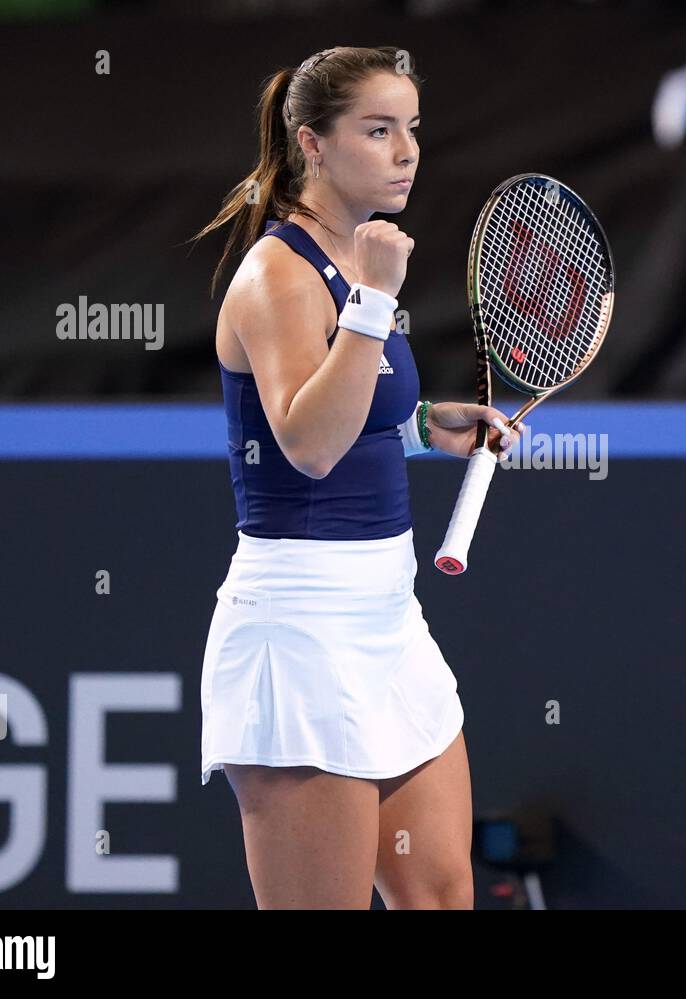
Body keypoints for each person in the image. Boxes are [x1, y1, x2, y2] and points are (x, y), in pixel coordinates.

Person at [188, 45, 524, 909]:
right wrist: (374, 299)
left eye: (411, 129)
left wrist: (424, 428)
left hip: (387, 622)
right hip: (298, 632)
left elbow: (353, 410)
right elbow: (306, 446)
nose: (406, 151)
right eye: (378, 130)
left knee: (441, 899)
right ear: (314, 143)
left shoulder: (355, 254)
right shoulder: (278, 275)